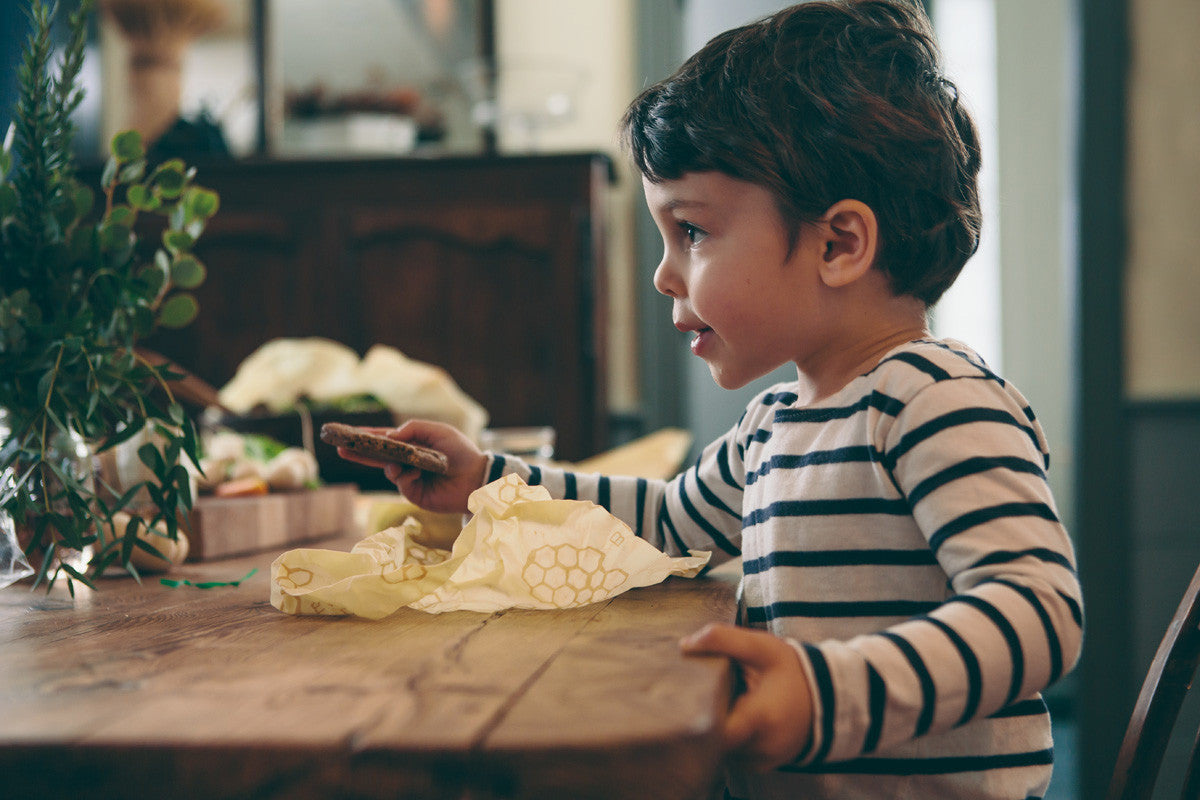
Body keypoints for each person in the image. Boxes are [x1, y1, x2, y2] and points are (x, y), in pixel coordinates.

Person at [339, 2, 1083, 797]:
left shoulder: (938, 403)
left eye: (691, 231)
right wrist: (490, 479)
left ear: (838, 245)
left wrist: (830, 692)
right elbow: (667, 523)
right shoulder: (775, 426)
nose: (664, 272)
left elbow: (1039, 612)